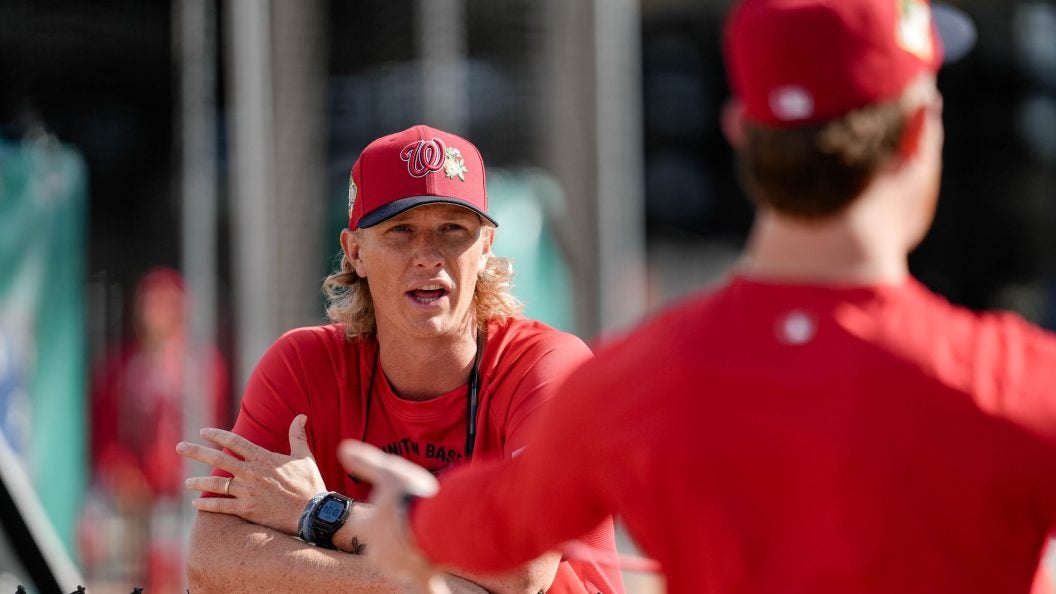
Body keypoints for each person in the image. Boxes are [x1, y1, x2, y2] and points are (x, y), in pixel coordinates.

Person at [336, 2, 1056, 593]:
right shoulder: (1018, 382)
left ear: (743, 134)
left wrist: (406, 519)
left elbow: (493, 520)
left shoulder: (635, 380)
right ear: (918, 134)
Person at [177, 125, 624, 593]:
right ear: (356, 252)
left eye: (452, 229)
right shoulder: (302, 363)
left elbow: (523, 569)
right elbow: (210, 562)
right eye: (400, 231)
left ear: (486, 247)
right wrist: (417, 580)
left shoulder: (547, 364)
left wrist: (321, 514)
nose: (428, 256)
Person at [83, 267, 229, 594]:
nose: (151, 312)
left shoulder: (204, 365)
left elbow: (214, 429)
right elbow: (106, 432)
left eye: (161, 303)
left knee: (179, 564)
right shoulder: (121, 367)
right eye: (147, 303)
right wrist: (120, 472)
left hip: (184, 489)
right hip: (132, 492)